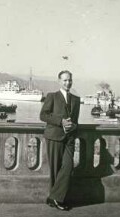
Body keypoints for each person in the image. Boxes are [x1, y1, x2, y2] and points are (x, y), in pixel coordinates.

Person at [40, 70, 80, 211]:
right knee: (55, 169)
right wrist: (60, 121)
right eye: (65, 80)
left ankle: (54, 197)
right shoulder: (52, 96)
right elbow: (43, 115)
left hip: (69, 138)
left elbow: (75, 121)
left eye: (69, 80)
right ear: (59, 81)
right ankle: (55, 200)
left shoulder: (76, 99)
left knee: (68, 167)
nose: (68, 82)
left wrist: (72, 126)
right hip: (54, 136)